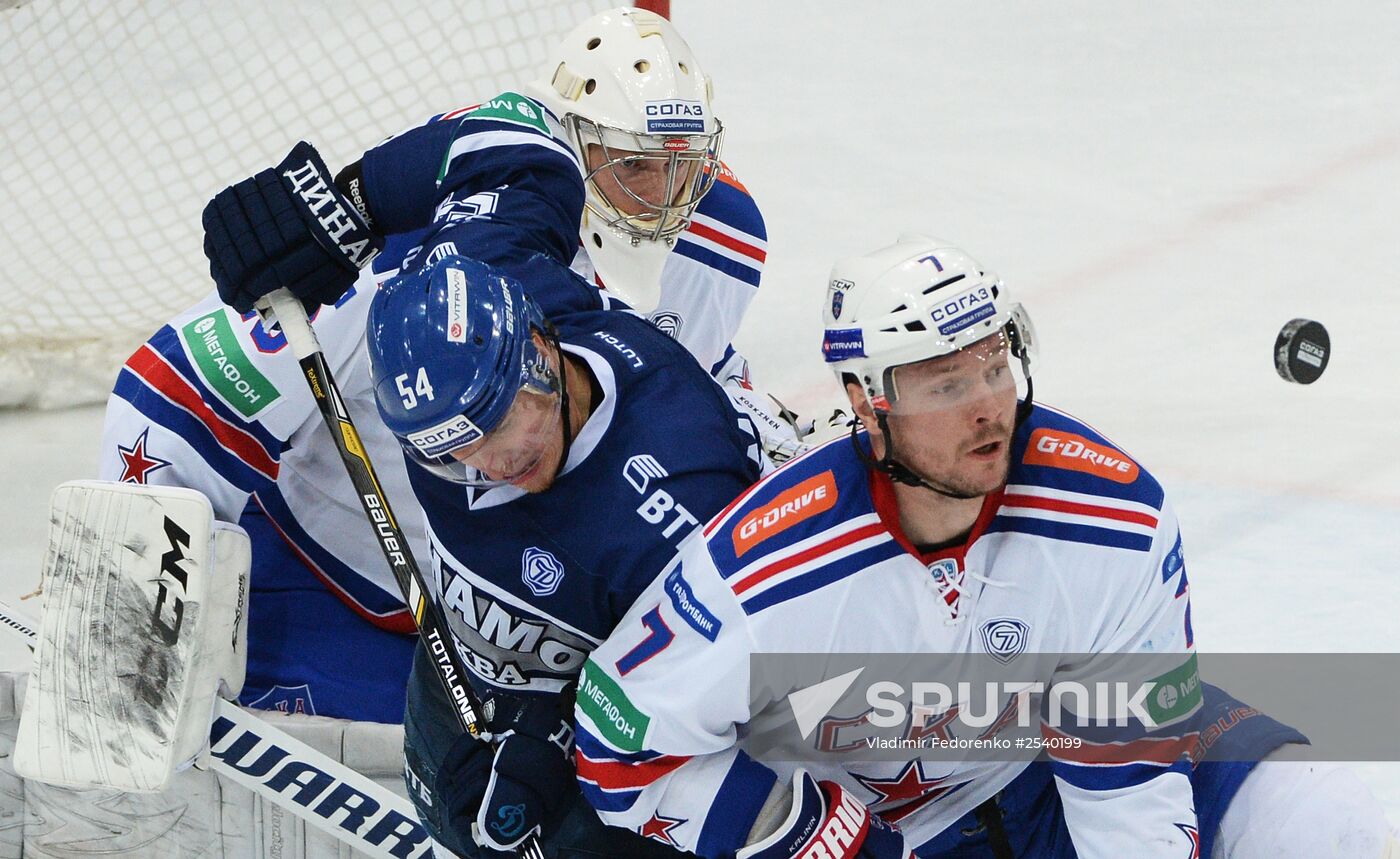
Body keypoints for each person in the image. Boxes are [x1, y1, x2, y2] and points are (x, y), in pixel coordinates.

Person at [573, 235, 1399, 858]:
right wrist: (812, 833)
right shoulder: (767, 572)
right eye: (947, 383)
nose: (988, 407)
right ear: (867, 400)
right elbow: (620, 744)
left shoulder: (1114, 517)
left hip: (1068, 759)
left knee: (1332, 818)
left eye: (994, 365)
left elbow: (1128, 790)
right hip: (905, 832)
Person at [99, 5, 785, 726]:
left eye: (683, 165)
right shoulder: (435, 250)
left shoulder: (725, 233)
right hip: (335, 596)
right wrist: (139, 642)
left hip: (542, 630)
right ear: (575, 146)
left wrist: (744, 421)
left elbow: (693, 371)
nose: (663, 198)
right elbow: (168, 394)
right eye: (635, 165)